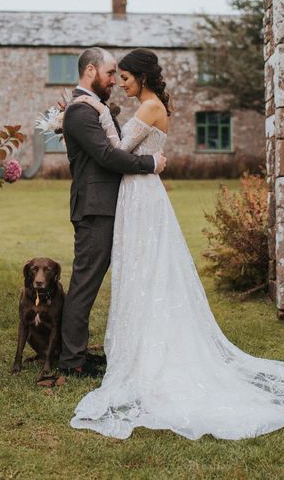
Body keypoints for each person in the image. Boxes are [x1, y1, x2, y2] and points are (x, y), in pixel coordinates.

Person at [70, 48, 284, 440]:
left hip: (141, 193)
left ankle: (150, 355)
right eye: (116, 77)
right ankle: (139, 349)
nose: (120, 83)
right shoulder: (150, 106)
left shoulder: (150, 107)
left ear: (143, 79)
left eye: (126, 78)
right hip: (139, 193)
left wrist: (99, 114)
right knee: (141, 270)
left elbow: (115, 151)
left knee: (145, 269)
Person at [58, 47, 166, 376]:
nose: (113, 81)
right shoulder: (80, 111)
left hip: (111, 204)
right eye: (109, 74)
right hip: (95, 208)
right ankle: (72, 361)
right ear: (91, 71)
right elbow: (107, 155)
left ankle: (83, 352)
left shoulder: (95, 108)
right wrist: (150, 163)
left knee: (109, 280)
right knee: (85, 283)